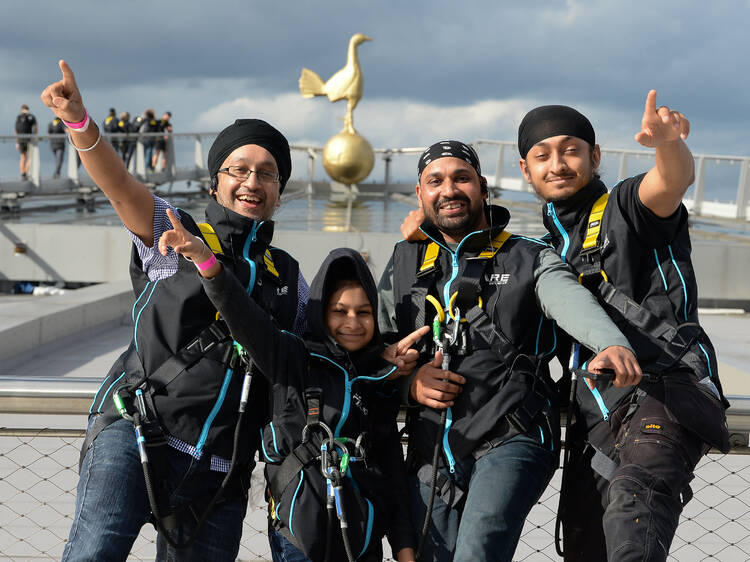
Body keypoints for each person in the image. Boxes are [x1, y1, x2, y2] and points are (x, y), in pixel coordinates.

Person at [41, 59, 307, 561]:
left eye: (268, 174)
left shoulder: (290, 277)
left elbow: (314, 355)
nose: (253, 181)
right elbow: (119, 187)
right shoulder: (176, 232)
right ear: (215, 183)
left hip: (220, 472)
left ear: (278, 194)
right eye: (240, 169)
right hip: (138, 433)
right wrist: (79, 122)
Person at [379, 140, 641, 562]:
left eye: (461, 178)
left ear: (482, 188)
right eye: (435, 181)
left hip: (512, 434)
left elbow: (568, 299)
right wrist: (410, 384)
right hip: (434, 449)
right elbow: (374, 349)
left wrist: (609, 343)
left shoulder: (528, 256)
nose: (449, 190)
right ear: (420, 194)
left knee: (477, 554)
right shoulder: (405, 259)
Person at [515, 94, 730, 561]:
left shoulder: (624, 208)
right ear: (525, 169)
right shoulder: (538, 253)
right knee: (585, 546)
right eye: (542, 154)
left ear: (595, 156)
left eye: (571, 150)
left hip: (664, 393)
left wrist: (669, 145)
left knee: (636, 503)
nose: (558, 164)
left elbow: (669, 182)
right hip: (595, 426)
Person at [161, 220, 423, 560]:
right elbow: (243, 317)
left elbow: (390, 469)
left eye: (364, 312)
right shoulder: (292, 358)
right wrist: (206, 261)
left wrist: (404, 549)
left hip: (362, 538)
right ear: (319, 312)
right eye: (339, 311)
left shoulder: (377, 380)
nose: (353, 322)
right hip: (299, 535)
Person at [15, 104, 37, 180]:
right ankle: (23, 174)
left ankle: (26, 173)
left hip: (29, 140)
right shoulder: (19, 117)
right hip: (21, 140)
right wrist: (17, 142)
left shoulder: (31, 117)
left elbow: (35, 127)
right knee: (23, 158)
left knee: (29, 158)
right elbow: (16, 130)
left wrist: (34, 137)